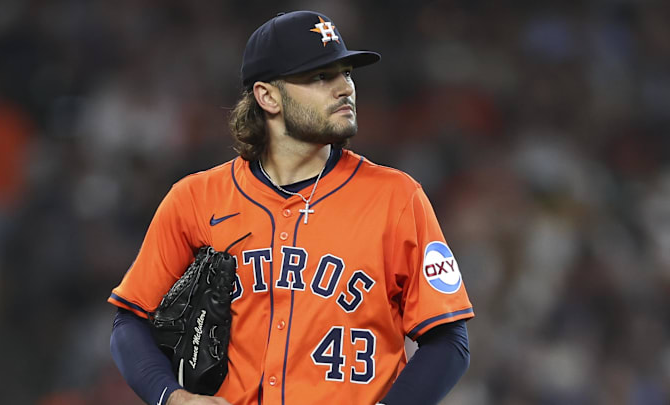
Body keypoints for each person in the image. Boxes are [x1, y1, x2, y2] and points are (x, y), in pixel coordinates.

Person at [108, 10, 474, 405]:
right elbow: (130, 320)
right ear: (267, 96)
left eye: (346, 73)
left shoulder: (397, 198)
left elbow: (448, 340)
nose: (344, 88)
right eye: (319, 77)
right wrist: (173, 397)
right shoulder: (196, 199)